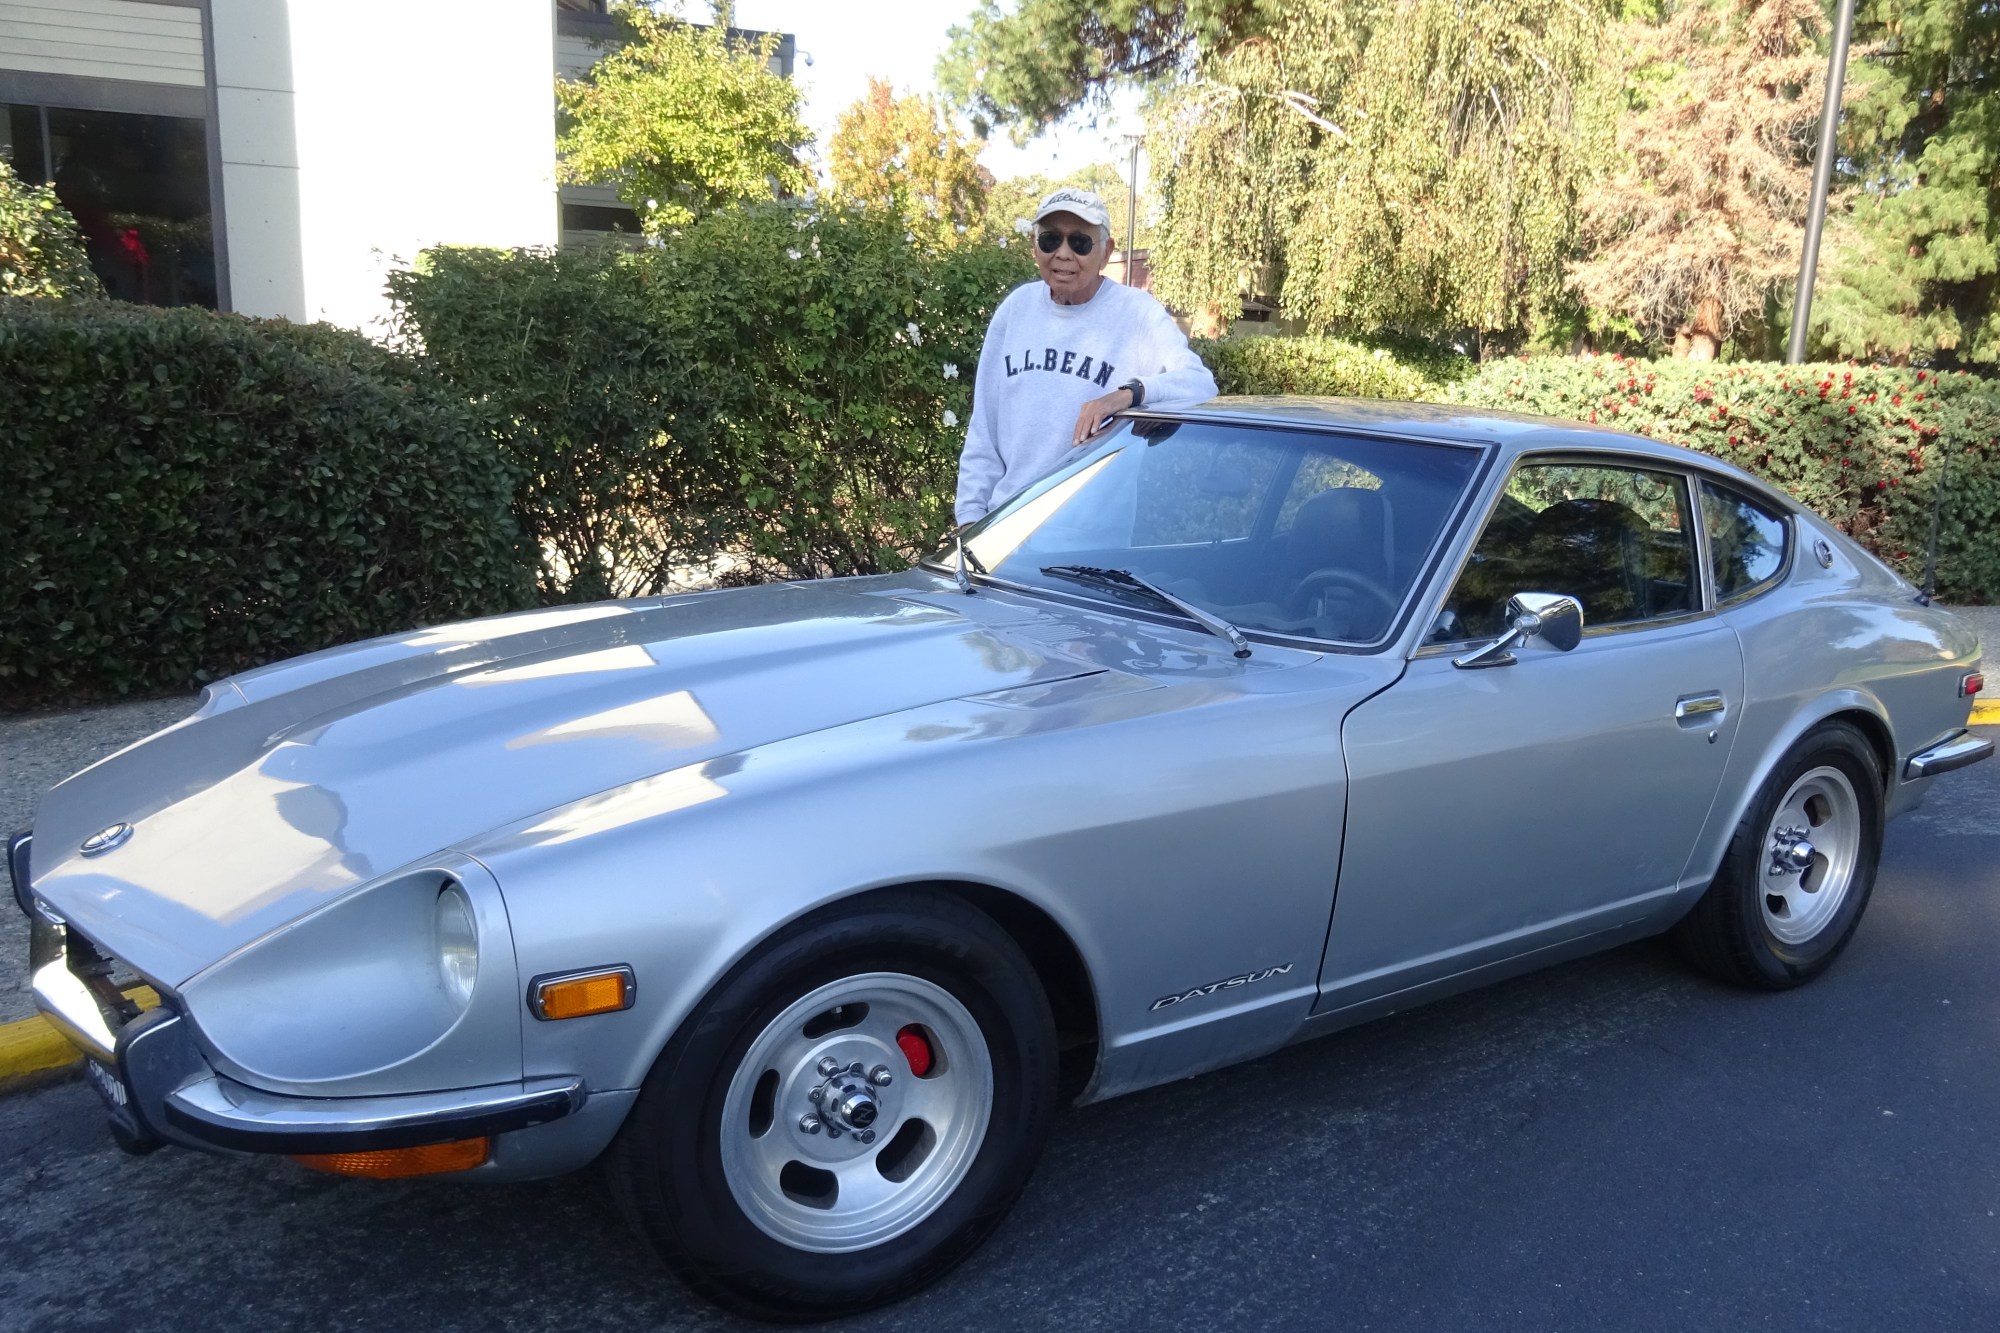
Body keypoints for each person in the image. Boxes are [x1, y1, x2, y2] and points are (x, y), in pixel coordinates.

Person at [954, 187, 1218, 526]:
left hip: (1090, 540)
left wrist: (1128, 395)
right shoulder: (1015, 310)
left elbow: (1200, 385)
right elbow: (984, 432)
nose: (1063, 254)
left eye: (1079, 242)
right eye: (1050, 240)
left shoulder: (1136, 314)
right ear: (1034, 246)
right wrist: (970, 519)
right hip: (1005, 528)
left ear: (1105, 252)